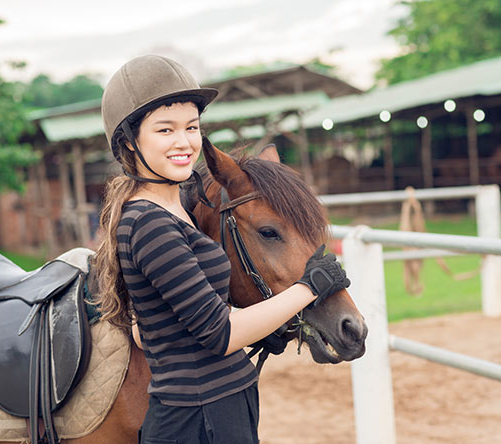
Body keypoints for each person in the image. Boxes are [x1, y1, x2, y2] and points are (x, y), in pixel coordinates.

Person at [93, 54, 350, 444]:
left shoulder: (176, 208)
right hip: (196, 422)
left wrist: (265, 326)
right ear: (130, 141)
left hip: (221, 410)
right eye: (166, 130)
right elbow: (220, 333)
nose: (184, 142)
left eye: (192, 127)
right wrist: (310, 288)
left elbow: (155, 334)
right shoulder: (148, 223)